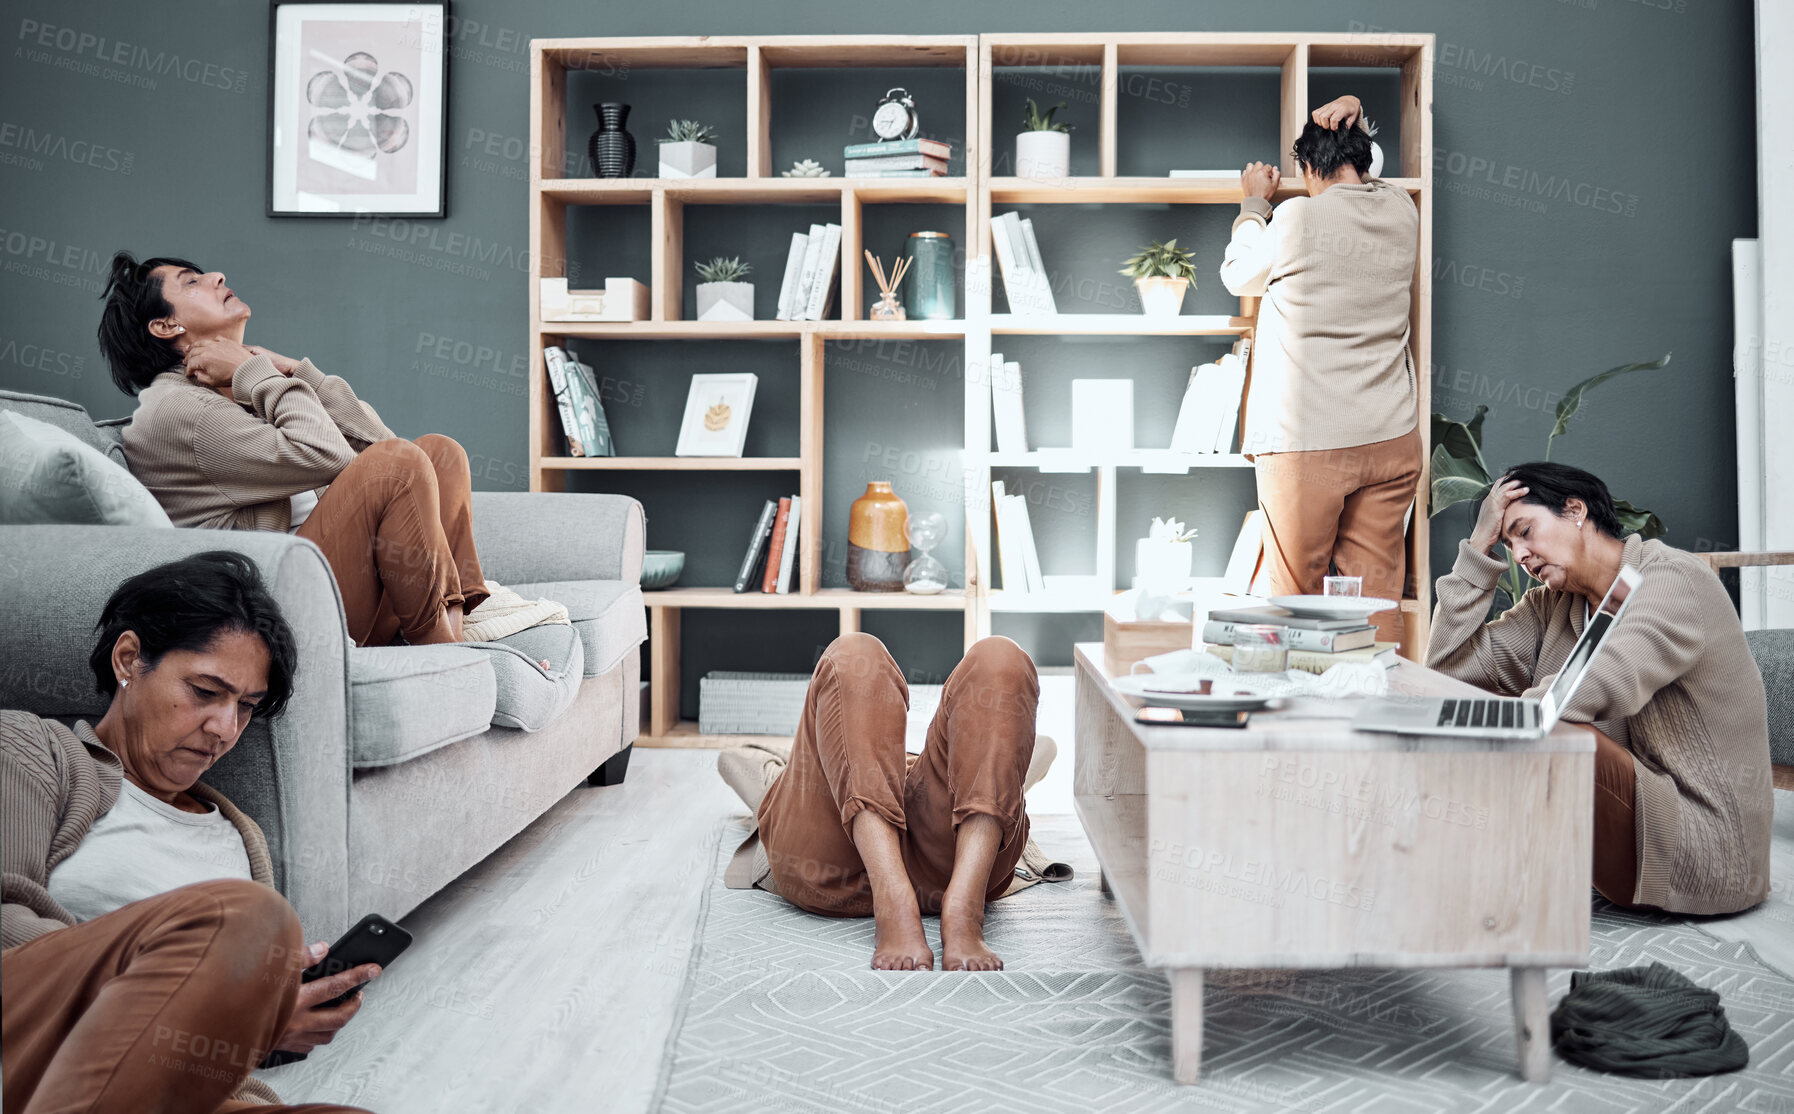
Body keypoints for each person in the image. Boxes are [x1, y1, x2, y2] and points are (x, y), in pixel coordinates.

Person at [2, 552, 378, 1112]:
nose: (224, 729)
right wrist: (235, 1016)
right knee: (245, 917)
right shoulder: (33, 750)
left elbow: (214, 1054)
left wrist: (266, 1022)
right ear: (129, 659)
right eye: (205, 692)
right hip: (37, 1053)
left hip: (188, 1095)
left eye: (245, 707)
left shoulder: (239, 836)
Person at [1428, 462, 1774, 914]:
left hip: (1703, 848)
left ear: (1575, 510)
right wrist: (1478, 546)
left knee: (1551, 730)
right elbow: (1447, 669)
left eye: (1525, 531)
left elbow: (1606, 678)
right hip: (1629, 830)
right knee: (1514, 719)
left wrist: (1497, 723)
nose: (1520, 556)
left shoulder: (1673, 578)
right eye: (1507, 543)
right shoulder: (1551, 606)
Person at [99, 251, 488, 647]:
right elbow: (336, 458)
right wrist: (256, 373)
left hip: (335, 588)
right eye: (191, 282)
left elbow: (384, 448)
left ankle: (450, 637)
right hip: (281, 617)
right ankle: (444, 653)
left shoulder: (235, 388)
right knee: (399, 463)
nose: (217, 275)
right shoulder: (182, 410)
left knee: (440, 453)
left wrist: (296, 373)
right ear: (166, 326)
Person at [1220, 94, 1421, 644]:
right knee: (1375, 600)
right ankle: (1377, 715)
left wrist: (1253, 206)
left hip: (1308, 444)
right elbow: (1368, 177)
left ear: (1308, 169)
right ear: (1365, 158)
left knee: (1294, 599)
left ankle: (1299, 723)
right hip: (1391, 440)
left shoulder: (1294, 217)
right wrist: (1355, 108)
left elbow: (1239, 275)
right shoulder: (1402, 209)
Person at [722, 634, 1044, 971]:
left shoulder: (935, 769)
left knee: (1000, 658)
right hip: (859, 863)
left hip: (905, 864)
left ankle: (964, 907)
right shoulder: (817, 773)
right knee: (856, 655)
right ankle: (900, 904)